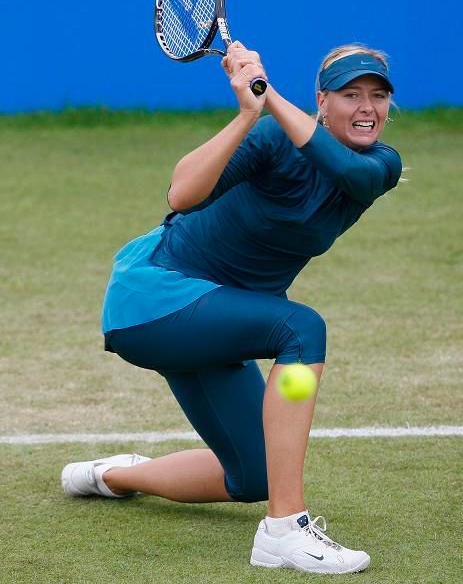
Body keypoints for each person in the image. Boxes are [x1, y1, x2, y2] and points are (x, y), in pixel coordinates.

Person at [61, 42, 401, 575]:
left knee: (253, 475)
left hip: (212, 322)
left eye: (378, 96)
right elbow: (181, 195)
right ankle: (285, 528)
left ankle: (115, 476)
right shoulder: (269, 137)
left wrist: (269, 97)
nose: (366, 107)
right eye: (350, 94)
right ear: (322, 101)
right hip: (153, 300)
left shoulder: (380, 165)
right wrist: (250, 111)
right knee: (301, 330)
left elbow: (344, 171)